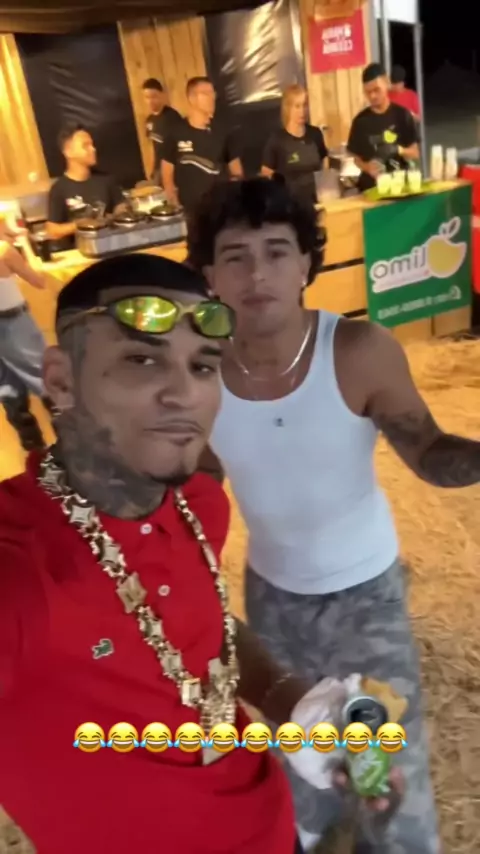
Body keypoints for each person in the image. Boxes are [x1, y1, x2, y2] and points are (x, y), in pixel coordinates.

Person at [0, 252, 402, 854]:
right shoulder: (21, 574)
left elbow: (194, 626)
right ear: (59, 379)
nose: (184, 393)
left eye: (204, 365)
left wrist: (296, 702)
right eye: (142, 360)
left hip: (271, 827)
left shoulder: (199, 504)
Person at [189, 176, 480, 852]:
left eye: (276, 251)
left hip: (366, 594)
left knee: (384, 762)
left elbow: (428, 452)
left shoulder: (356, 351)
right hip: (271, 596)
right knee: (304, 755)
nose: (257, 273)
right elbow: (196, 490)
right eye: (235, 256)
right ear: (209, 275)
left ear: (306, 264)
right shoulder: (198, 372)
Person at [161, 77, 243, 221]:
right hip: (190, 211)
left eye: (213, 93)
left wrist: (235, 193)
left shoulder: (223, 131)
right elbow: (167, 173)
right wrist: (173, 200)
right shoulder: (175, 133)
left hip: (221, 209)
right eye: (206, 93)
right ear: (192, 98)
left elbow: (237, 170)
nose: (212, 98)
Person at [0, 221, 48, 452]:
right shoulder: (3, 250)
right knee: (44, 376)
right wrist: (25, 244)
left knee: (7, 385)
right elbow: (39, 280)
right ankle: (74, 443)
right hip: (12, 321)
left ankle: (33, 448)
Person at [47, 125, 124, 251]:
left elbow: (121, 206)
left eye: (92, 144)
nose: (93, 149)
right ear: (68, 152)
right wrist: (82, 224)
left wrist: (119, 214)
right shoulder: (59, 189)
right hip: (80, 251)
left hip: (111, 246)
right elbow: (52, 231)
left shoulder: (107, 180)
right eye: (85, 145)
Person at [347, 63, 420, 191]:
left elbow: (415, 153)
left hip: (399, 186)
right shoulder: (360, 122)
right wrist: (367, 167)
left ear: (386, 82)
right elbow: (356, 159)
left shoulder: (402, 115)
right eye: (368, 92)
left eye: (376, 90)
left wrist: (398, 150)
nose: (372, 96)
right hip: (371, 189)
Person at [261, 84, 328, 207]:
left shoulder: (315, 134)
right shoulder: (277, 140)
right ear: (288, 108)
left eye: (305, 105)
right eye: (297, 106)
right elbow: (266, 172)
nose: (302, 111)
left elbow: (324, 162)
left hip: (316, 202)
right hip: (290, 206)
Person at [142, 77, 182, 184]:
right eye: (147, 97)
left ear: (162, 95)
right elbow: (152, 147)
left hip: (173, 170)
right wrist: (152, 170)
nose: (150, 101)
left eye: (154, 96)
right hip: (157, 171)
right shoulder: (149, 120)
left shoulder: (172, 117)